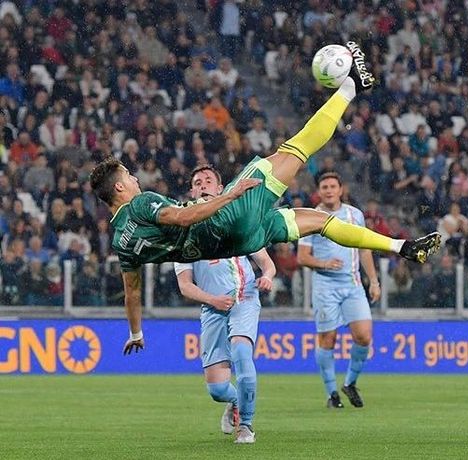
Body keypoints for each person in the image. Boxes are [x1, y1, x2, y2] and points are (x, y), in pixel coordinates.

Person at [88, 41, 440, 354]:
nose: (135, 179)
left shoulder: (122, 243)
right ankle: (350, 87)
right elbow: (183, 217)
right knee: (296, 148)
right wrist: (231, 195)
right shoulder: (140, 202)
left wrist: (136, 332)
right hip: (227, 219)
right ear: (119, 188)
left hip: (236, 242)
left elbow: (132, 294)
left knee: (321, 223)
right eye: (129, 178)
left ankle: (403, 247)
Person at [175, 165, 273, 444]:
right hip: (212, 309)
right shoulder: (183, 233)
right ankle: (235, 402)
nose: (203, 184)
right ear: (192, 191)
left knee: (243, 356)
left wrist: (266, 276)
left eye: (209, 180)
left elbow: (266, 263)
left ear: (220, 189)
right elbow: (185, 286)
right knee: (218, 389)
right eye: (197, 182)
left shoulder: (237, 221)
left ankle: (247, 426)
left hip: (244, 297)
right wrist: (212, 299)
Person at [297, 171, 381, 409]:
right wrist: (324, 264)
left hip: (352, 285)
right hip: (325, 286)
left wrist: (373, 281)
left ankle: (350, 383)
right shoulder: (311, 217)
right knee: (328, 339)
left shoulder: (355, 215)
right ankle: (332, 393)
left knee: (364, 336)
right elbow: (302, 257)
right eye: (324, 187)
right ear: (319, 191)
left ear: (341, 189)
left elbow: (365, 248)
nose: (329, 190)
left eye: (333, 186)